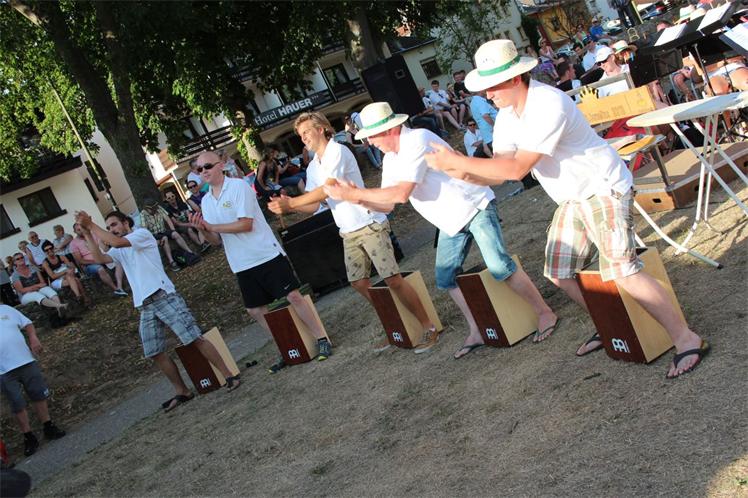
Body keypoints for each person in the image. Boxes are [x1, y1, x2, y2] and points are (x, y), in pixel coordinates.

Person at [425, 38, 709, 378]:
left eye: (492, 85)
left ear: (514, 78)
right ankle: (611, 324)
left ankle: (686, 338)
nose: (487, 94)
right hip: (574, 198)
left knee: (622, 270)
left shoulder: (547, 102)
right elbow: (498, 170)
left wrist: (457, 162)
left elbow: (516, 169)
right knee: (559, 273)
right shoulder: (507, 116)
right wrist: (455, 170)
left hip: (603, 187)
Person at [324, 102, 559, 359]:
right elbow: (388, 205)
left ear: (390, 130)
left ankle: (544, 312)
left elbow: (401, 194)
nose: (369, 142)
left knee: (498, 265)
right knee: (446, 278)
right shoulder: (391, 159)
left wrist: (355, 194)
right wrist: (357, 198)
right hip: (450, 221)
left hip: (475, 205)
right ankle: (477, 330)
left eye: (372, 135)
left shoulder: (418, 139)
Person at [268, 112, 438, 353]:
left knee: (392, 279)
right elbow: (315, 205)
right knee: (359, 283)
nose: (303, 138)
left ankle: (429, 326)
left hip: (369, 223)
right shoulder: (313, 166)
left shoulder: (338, 151)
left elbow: (328, 189)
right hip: (347, 230)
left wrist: (292, 203)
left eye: (306, 132)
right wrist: (288, 206)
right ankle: (395, 326)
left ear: (321, 129)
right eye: (300, 135)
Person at [75, 210, 241, 410]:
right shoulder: (119, 249)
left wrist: (91, 225)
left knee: (194, 338)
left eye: (114, 224)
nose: (112, 229)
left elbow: (117, 242)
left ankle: (229, 376)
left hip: (163, 295)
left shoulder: (141, 235)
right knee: (154, 351)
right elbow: (100, 258)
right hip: (144, 304)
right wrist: (87, 233)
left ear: (126, 223)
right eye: (109, 227)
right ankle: (182, 391)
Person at [188, 151, 333, 362]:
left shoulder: (238, 187)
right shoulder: (207, 201)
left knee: (293, 296)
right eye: (199, 169)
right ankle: (288, 346)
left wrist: (212, 227)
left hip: (265, 253)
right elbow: (216, 240)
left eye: (207, 166)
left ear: (221, 165)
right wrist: (202, 229)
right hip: (241, 263)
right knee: (255, 310)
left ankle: (322, 338)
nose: (203, 171)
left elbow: (246, 224)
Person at [0, 305, 66, 456]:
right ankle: (28, 436)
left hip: (25, 360)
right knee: (17, 403)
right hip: (3, 370)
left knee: (38, 394)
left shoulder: (6, 309)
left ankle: (48, 426)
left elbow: (28, 324)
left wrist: (33, 338)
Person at [140, 198, 199, 271]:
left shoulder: (159, 208)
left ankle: (190, 252)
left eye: (154, 207)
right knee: (164, 238)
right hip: (154, 234)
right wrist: (153, 240)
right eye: (152, 209)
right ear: (146, 209)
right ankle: (172, 262)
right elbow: (145, 230)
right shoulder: (143, 214)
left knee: (175, 234)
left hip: (163, 231)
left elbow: (167, 219)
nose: (154, 209)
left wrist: (173, 230)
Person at [70, 223, 128, 296]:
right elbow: (80, 261)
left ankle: (119, 287)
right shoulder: (73, 243)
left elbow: (104, 248)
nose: (81, 231)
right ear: (74, 231)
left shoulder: (93, 235)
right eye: (78, 230)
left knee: (118, 261)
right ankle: (115, 289)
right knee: (100, 269)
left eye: (82, 229)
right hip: (89, 265)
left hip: (102, 258)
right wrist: (97, 261)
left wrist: (106, 248)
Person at [40, 241, 90, 307]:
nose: (49, 251)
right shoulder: (45, 263)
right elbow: (53, 276)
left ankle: (78, 297)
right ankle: (85, 298)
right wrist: (65, 271)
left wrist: (70, 271)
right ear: (44, 252)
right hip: (56, 281)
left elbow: (72, 267)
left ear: (53, 248)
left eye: (50, 248)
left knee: (71, 278)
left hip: (68, 276)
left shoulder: (61, 257)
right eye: (46, 250)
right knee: (76, 280)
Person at [469, 90, 497, 158]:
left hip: (488, 134)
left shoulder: (474, 101)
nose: (486, 90)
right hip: (492, 133)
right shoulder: (479, 101)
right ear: (479, 90)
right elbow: (485, 116)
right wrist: (495, 126)